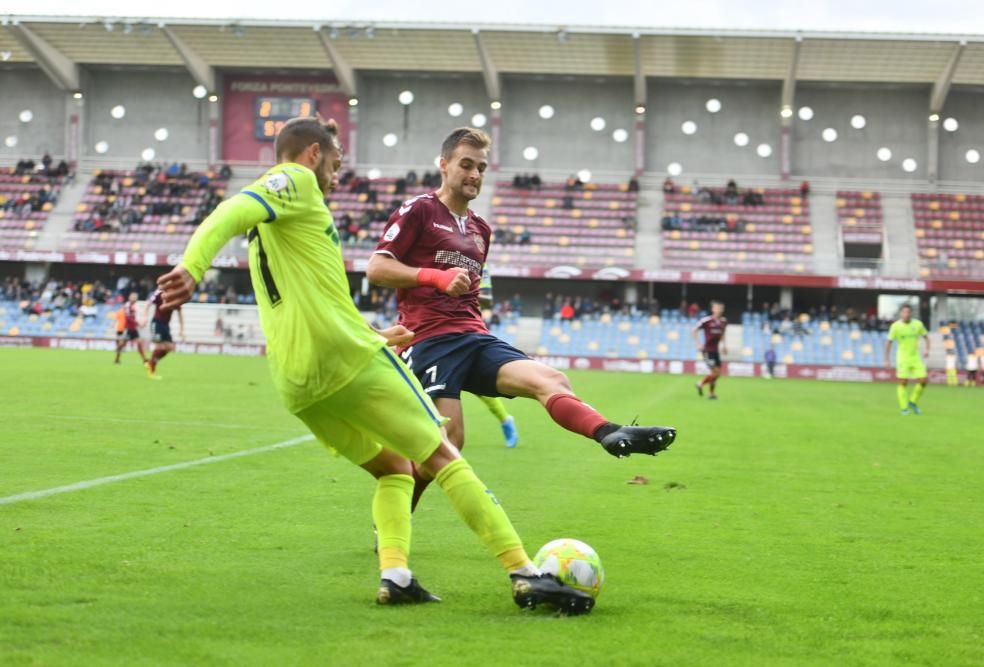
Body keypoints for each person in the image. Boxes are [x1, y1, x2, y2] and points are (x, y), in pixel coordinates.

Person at [155, 115, 592, 614]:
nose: (340, 172)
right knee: (443, 452)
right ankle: (525, 574)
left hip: (298, 381)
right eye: (337, 160)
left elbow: (314, 299)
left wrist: (375, 335)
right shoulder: (295, 182)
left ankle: (396, 575)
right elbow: (229, 210)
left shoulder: (279, 224)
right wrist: (192, 267)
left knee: (395, 469)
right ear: (314, 154)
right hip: (344, 361)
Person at [366, 127, 677, 509]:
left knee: (551, 379)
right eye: (466, 165)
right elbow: (377, 269)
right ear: (444, 165)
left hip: (474, 337)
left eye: (481, 167)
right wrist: (434, 276)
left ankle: (609, 431)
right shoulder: (419, 209)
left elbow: (471, 293)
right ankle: (395, 520)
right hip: (428, 339)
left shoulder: (482, 230)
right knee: (449, 443)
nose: (474, 175)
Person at [477, 264, 518, 448]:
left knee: (482, 389)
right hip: (435, 331)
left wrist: (455, 293)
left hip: (468, 329)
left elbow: (486, 299)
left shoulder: (479, 263)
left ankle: (505, 420)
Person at [884, 304, 929, 415]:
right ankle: (904, 408)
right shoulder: (895, 326)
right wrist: (886, 359)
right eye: (904, 312)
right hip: (902, 358)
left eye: (908, 312)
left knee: (923, 380)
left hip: (915, 357)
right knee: (903, 383)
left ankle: (912, 402)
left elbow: (926, 337)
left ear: (911, 313)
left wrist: (927, 349)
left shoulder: (918, 324)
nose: (906, 314)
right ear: (901, 313)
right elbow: (889, 342)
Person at [143, 288, 185, 379]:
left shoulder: (176, 299)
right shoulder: (159, 294)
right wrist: (145, 317)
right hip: (157, 323)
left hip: (166, 325)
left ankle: (151, 362)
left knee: (170, 347)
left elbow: (180, 313)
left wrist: (181, 329)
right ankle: (152, 372)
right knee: (160, 346)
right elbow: (148, 304)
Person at [693, 301, 728, 400]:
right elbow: (694, 330)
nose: (719, 310)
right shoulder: (706, 320)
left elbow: (722, 334)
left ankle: (711, 394)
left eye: (720, 308)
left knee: (716, 374)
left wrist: (724, 346)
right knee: (716, 373)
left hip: (716, 351)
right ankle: (700, 383)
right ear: (713, 309)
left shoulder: (723, 321)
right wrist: (698, 344)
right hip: (707, 351)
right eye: (717, 308)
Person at [114, 292, 147, 365]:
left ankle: (144, 359)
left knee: (139, 343)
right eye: (133, 297)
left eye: (136, 297)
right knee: (122, 344)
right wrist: (138, 323)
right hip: (128, 328)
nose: (135, 298)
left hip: (133, 329)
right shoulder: (127, 305)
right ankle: (117, 359)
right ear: (129, 297)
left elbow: (132, 317)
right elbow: (128, 317)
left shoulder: (133, 306)